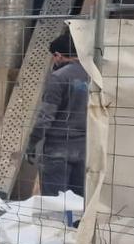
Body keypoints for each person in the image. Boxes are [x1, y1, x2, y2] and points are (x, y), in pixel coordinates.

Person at [29, 34, 89, 197]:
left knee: (55, 203)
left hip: (56, 149)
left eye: (53, 57)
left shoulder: (58, 77)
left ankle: (55, 224)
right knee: (78, 202)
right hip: (84, 149)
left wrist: (32, 142)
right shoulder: (92, 75)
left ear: (58, 55)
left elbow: (45, 118)